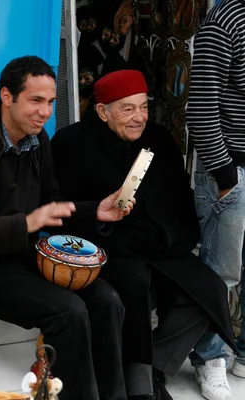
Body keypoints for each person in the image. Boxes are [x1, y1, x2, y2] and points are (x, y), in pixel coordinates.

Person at [0, 55, 133, 400]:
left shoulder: (39, 142)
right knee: (69, 311)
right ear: (7, 96)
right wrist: (24, 224)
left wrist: (95, 211)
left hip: (28, 258)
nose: (46, 111)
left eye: (51, 102)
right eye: (36, 100)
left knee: (108, 300)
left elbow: (50, 205)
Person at [51, 69, 238, 400]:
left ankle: (155, 363)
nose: (139, 118)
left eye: (144, 107)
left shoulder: (160, 139)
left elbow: (180, 199)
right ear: (102, 111)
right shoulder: (70, 144)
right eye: (128, 109)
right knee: (133, 284)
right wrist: (105, 223)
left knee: (209, 290)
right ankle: (138, 380)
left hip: (162, 246)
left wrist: (172, 240)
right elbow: (61, 209)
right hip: (108, 245)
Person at [186, 0, 245, 399]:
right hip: (230, 173)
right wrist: (226, 176)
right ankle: (209, 359)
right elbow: (201, 108)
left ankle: (241, 351)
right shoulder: (225, 19)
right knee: (220, 274)